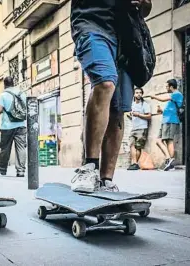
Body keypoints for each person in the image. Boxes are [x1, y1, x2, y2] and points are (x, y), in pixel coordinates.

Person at [70, 0, 153, 192]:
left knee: (118, 109)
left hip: (126, 38)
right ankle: (89, 167)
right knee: (105, 82)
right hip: (92, 25)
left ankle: (106, 180)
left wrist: (143, 3)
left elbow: (146, 9)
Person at [0, 76, 27, 178]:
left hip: (7, 126)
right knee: (21, 148)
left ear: (4, 84)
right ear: (14, 83)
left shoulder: (2, 95)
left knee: (5, 148)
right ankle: (21, 171)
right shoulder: (22, 94)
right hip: (21, 125)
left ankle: (3, 168)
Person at [151, 79, 183, 171]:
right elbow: (171, 110)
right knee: (158, 140)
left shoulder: (176, 94)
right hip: (166, 120)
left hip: (171, 120)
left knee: (169, 140)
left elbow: (164, 99)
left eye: (167, 86)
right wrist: (161, 111)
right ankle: (169, 159)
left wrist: (154, 97)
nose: (166, 88)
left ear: (171, 87)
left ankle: (170, 162)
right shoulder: (174, 97)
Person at [127, 87, 152, 170]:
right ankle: (134, 162)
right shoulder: (132, 104)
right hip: (134, 128)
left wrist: (138, 115)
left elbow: (149, 116)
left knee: (138, 147)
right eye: (137, 92)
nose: (138, 94)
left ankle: (135, 164)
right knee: (131, 144)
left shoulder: (144, 104)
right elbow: (132, 115)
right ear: (134, 94)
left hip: (142, 128)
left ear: (142, 94)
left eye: (140, 93)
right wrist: (131, 116)